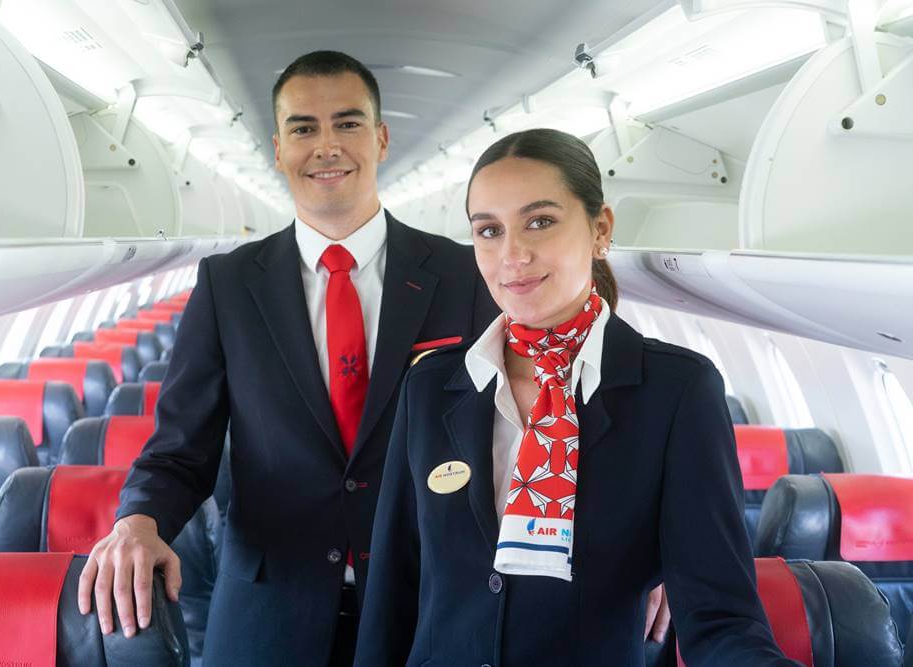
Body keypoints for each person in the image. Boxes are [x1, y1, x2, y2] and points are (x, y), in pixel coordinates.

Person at [76, 50, 498, 666]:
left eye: (348, 123)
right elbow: (179, 448)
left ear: (380, 138)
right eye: (304, 128)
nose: (326, 145)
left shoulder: (466, 276)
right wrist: (137, 522)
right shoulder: (228, 284)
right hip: (268, 615)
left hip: (426, 604)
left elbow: (530, 431)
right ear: (278, 149)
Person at [353, 128, 800, 666]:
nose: (512, 255)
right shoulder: (432, 386)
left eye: (540, 222)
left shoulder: (676, 392)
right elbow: (392, 593)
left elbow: (720, 617)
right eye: (489, 231)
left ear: (600, 229)